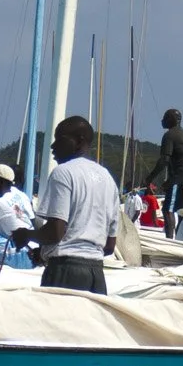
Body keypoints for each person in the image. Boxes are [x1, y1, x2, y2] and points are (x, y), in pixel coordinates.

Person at [12, 115, 118, 292]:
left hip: (65, 271)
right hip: (96, 275)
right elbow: (109, 246)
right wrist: (44, 253)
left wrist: (26, 235)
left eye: (59, 139)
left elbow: (55, 232)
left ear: (79, 141)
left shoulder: (63, 172)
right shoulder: (107, 179)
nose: (52, 146)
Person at [145, 108, 183, 238]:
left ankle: (170, 240)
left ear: (171, 120)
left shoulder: (170, 135)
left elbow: (164, 160)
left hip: (181, 178)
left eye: (165, 118)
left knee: (168, 209)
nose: (162, 120)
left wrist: (149, 178)